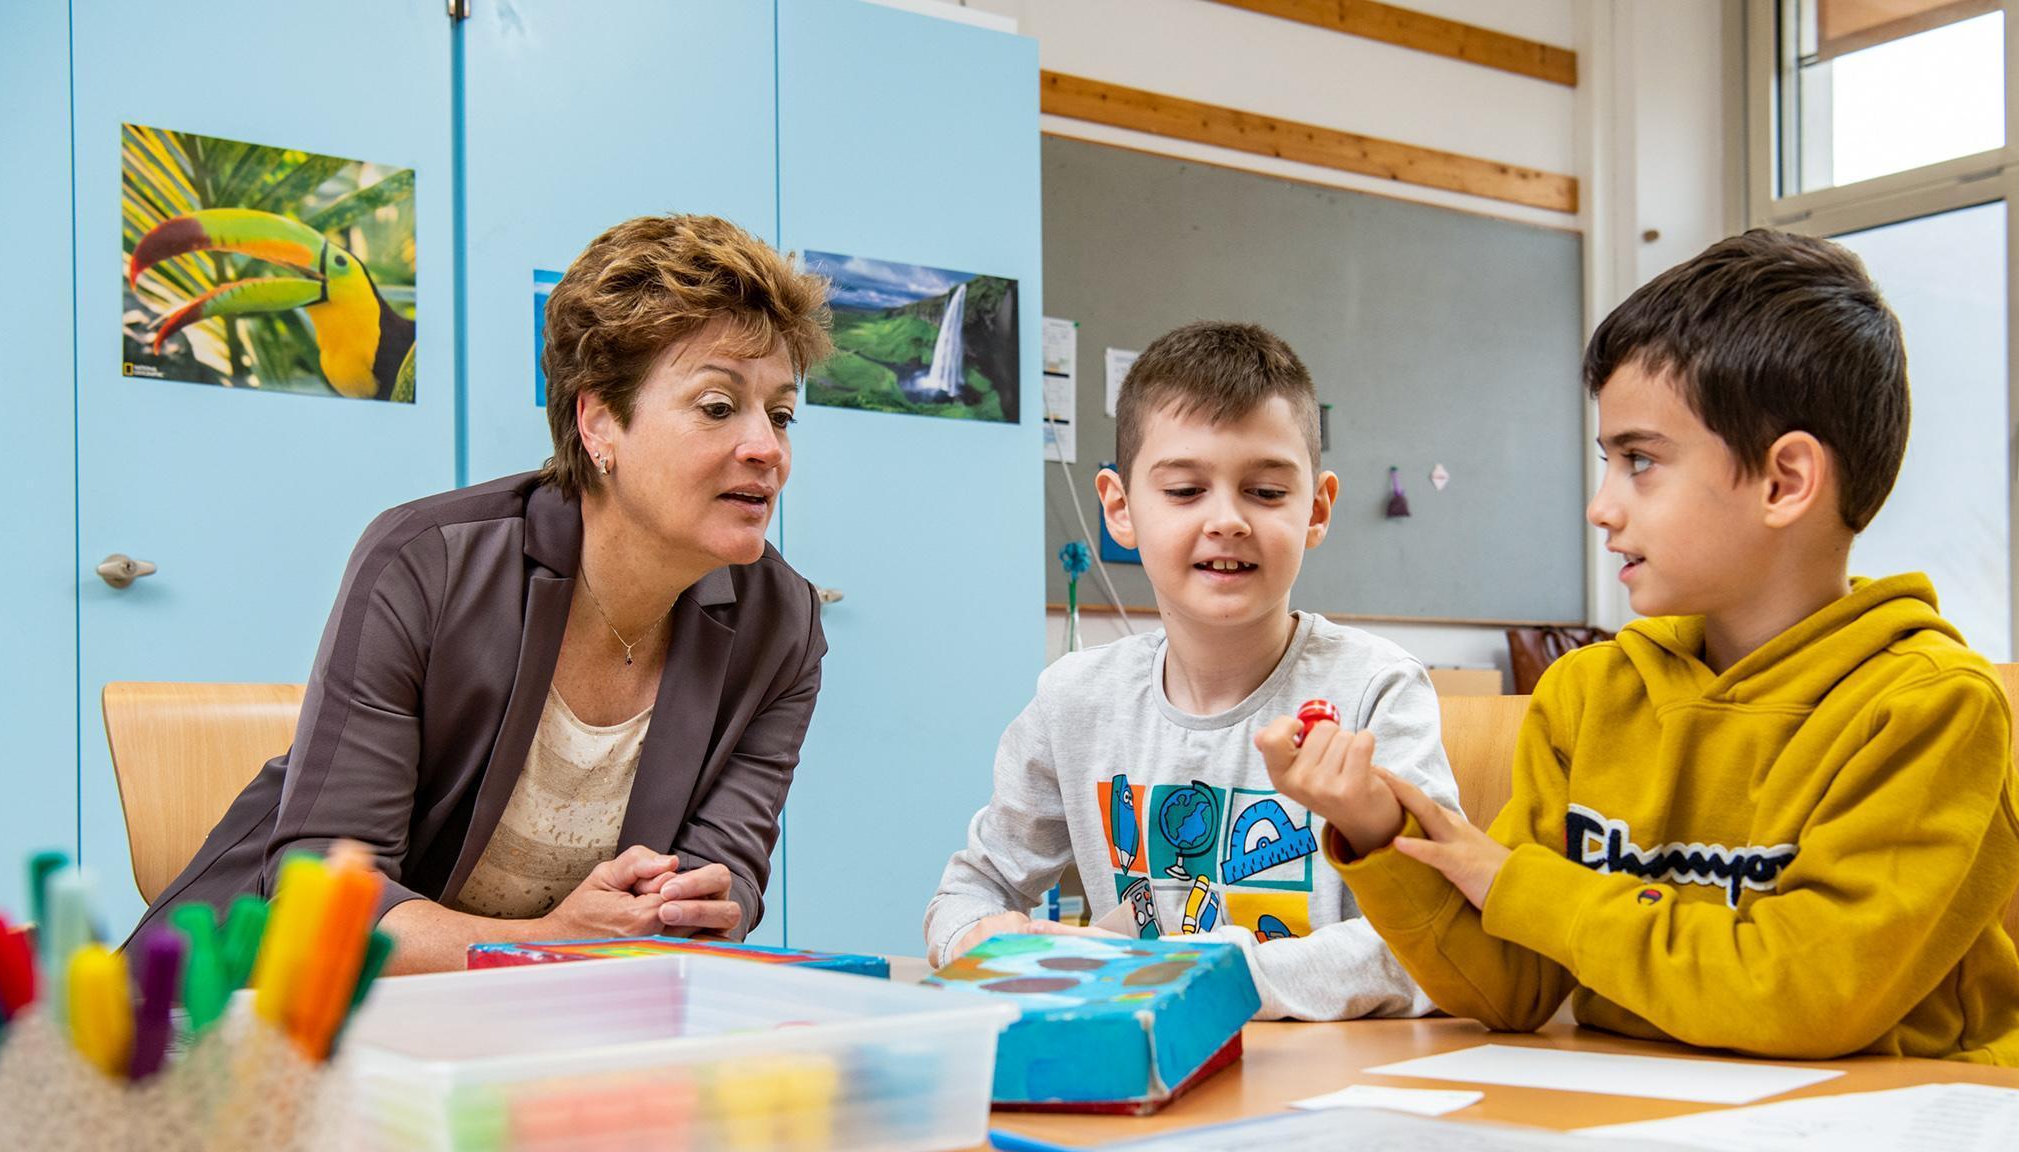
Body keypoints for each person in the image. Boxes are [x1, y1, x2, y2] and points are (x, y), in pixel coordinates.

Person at [1262, 229, 2019, 1152]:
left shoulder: (1932, 710)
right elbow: (1519, 986)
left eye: (1639, 462)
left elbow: (1804, 992)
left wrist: (1517, 882)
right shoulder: (1589, 694)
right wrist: (1382, 837)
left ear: (1784, 481)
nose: (1599, 506)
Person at [131, 214, 835, 973]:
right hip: (244, 1010)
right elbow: (322, 898)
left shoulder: (782, 626)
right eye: (718, 406)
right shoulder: (426, 562)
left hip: (539, 1036)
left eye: (782, 414)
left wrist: (690, 909)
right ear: (598, 421)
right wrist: (554, 943)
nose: (767, 448)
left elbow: (721, 886)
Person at [924, 321, 1456, 1020]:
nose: (1227, 520)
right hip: (1142, 1067)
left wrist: (1204, 973)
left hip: (1324, 1079)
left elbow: (1433, 942)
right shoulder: (1075, 700)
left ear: (1317, 509)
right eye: (1184, 491)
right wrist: (986, 938)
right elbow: (968, 894)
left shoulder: (1374, 690)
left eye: (1266, 492)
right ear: (1119, 508)